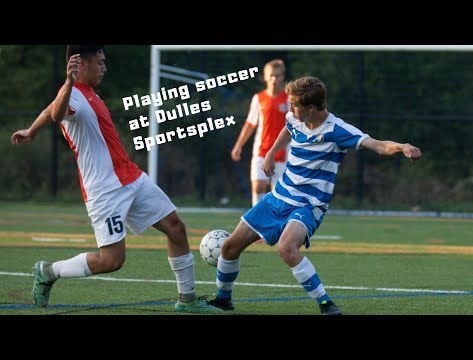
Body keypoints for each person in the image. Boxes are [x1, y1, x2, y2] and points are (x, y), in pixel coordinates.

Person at [10, 45, 222, 314]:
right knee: (111, 260)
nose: (104, 68)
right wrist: (68, 81)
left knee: (176, 227)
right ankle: (48, 271)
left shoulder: (87, 94)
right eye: (99, 62)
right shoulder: (72, 94)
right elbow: (56, 113)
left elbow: (48, 110)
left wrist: (32, 130)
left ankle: (187, 300)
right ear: (80, 64)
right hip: (104, 191)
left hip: (131, 177)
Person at [208, 76, 422, 315]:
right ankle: (222, 299)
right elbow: (287, 129)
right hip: (278, 197)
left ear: (311, 108)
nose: (289, 110)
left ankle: (326, 304)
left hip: (308, 205)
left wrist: (403, 146)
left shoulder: (337, 130)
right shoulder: (295, 118)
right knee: (229, 247)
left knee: (287, 248)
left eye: (294, 105)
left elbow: (379, 145)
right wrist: (270, 153)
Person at [231, 59, 289, 207]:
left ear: (283, 76)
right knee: (258, 187)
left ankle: (276, 226)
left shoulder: (289, 99)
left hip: (283, 154)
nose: (274, 79)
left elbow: (296, 125)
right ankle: (256, 224)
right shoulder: (259, 98)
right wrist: (238, 146)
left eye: (278, 75)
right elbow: (250, 124)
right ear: (265, 77)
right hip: (262, 151)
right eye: (271, 75)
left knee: (279, 194)